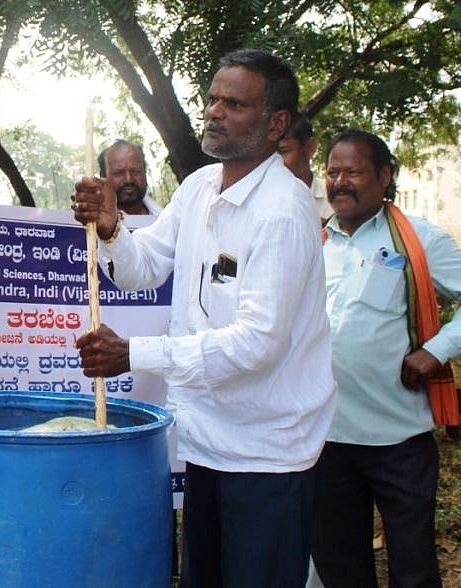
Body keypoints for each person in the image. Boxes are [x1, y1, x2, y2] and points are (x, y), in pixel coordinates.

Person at [72, 49, 336, 585]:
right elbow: (144, 267)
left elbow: (255, 345)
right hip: (208, 440)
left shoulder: (283, 212)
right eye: (213, 99)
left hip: (266, 453)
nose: (214, 112)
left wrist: (133, 353)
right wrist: (110, 228)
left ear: (275, 124)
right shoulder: (198, 188)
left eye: (234, 104)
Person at [311, 130, 461, 586]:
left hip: (399, 438)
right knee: (341, 566)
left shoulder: (418, 238)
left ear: (384, 176)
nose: (340, 182)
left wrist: (435, 352)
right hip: (326, 438)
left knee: (413, 568)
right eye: (333, 172)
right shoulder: (314, 242)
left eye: (353, 171)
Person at [278, 113, 334, 222]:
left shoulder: (335, 200)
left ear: (310, 148)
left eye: (282, 151)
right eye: (267, 155)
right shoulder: (255, 200)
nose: (273, 162)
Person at [97, 139, 163, 215]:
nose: (129, 180)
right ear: (103, 176)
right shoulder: (89, 223)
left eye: (135, 171)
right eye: (119, 173)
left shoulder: (167, 219)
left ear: (144, 172)